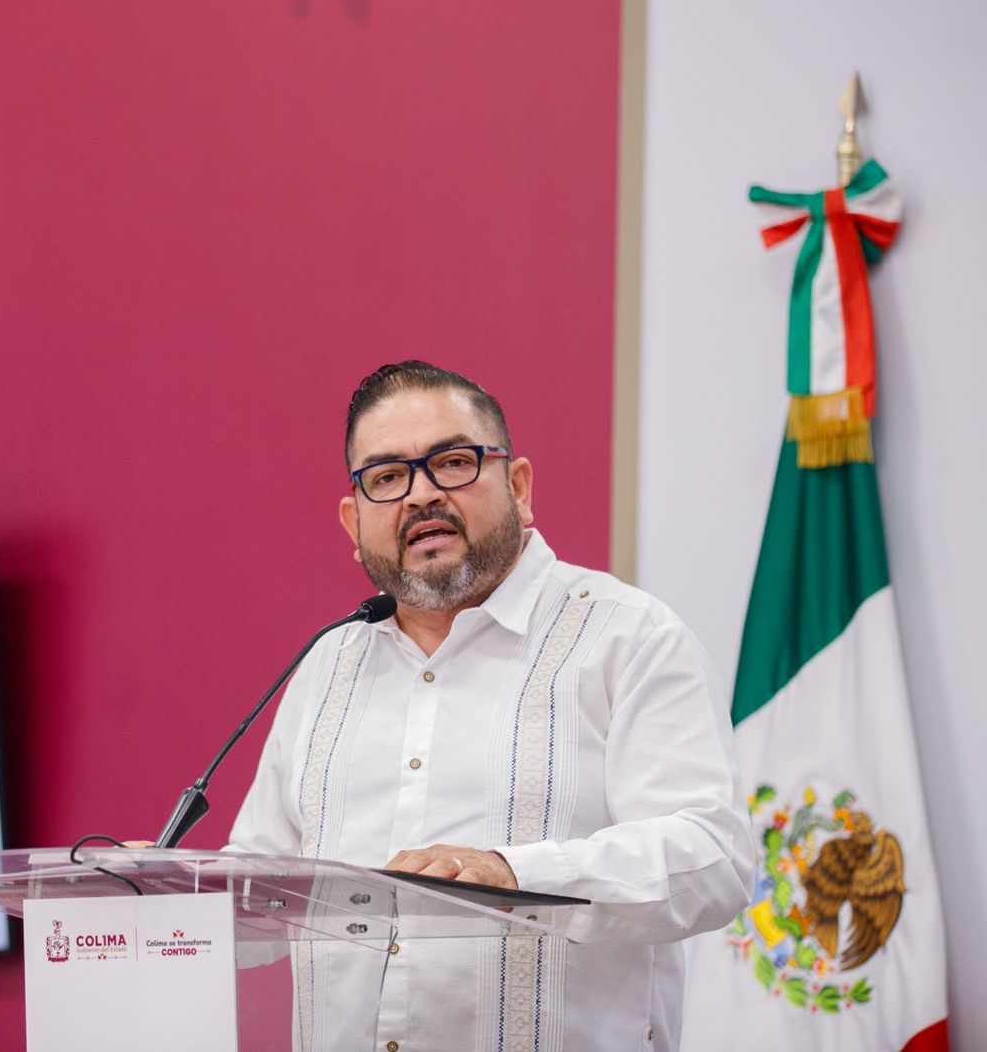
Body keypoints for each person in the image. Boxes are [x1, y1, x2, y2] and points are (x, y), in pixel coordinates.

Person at [225, 361, 753, 1052]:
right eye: (387, 476)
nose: (420, 494)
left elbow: (712, 858)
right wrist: (162, 894)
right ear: (355, 522)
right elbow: (265, 894)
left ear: (519, 487)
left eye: (452, 462)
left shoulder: (628, 637)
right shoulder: (328, 665)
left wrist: (513, 875)